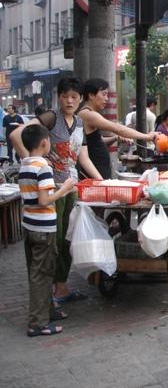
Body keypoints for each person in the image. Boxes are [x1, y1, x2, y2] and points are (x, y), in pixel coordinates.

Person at [11, 77, 103, 303]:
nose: (69, 101)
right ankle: (50, 293)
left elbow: (83, 157)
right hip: (51, 191)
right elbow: (16, 135)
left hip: (71, 188)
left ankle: (61, 288)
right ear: (58, 97)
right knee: (53, 241)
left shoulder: (80, 123)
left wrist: (100, 180)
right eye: (65, 96)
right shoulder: (51, 118)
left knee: (66, 241)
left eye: (74, 97)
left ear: (81, 99)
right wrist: (34, 163)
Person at [18, 124, 76, 337]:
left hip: (30, 226)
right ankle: (37, 323)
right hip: (43, 227)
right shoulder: (43, 166)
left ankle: (48, 312)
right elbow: (44, 200)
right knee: (42, 275)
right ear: (44, 142)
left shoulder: (25, 164)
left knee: (40, 272)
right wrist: (64, 189)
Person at [77, 78, 158, 179]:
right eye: (104, 94)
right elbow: (117, 128)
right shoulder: (88, 114)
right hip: (95, 170)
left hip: (99, 168)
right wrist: (147, 136)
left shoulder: (89, 114)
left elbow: (95, 142)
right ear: (91, 95)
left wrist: (115, 138)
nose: (106, 98)